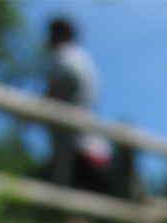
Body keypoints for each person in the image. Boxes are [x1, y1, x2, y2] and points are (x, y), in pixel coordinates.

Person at [45, 17, 111, 190]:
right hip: (94, 145)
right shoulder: (85, 60)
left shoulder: (63, 56)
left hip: (72, 147)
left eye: (51, 35)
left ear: (59, 35)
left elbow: (52, 94)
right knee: (84, 207)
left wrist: (32, 114)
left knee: (66, 203)